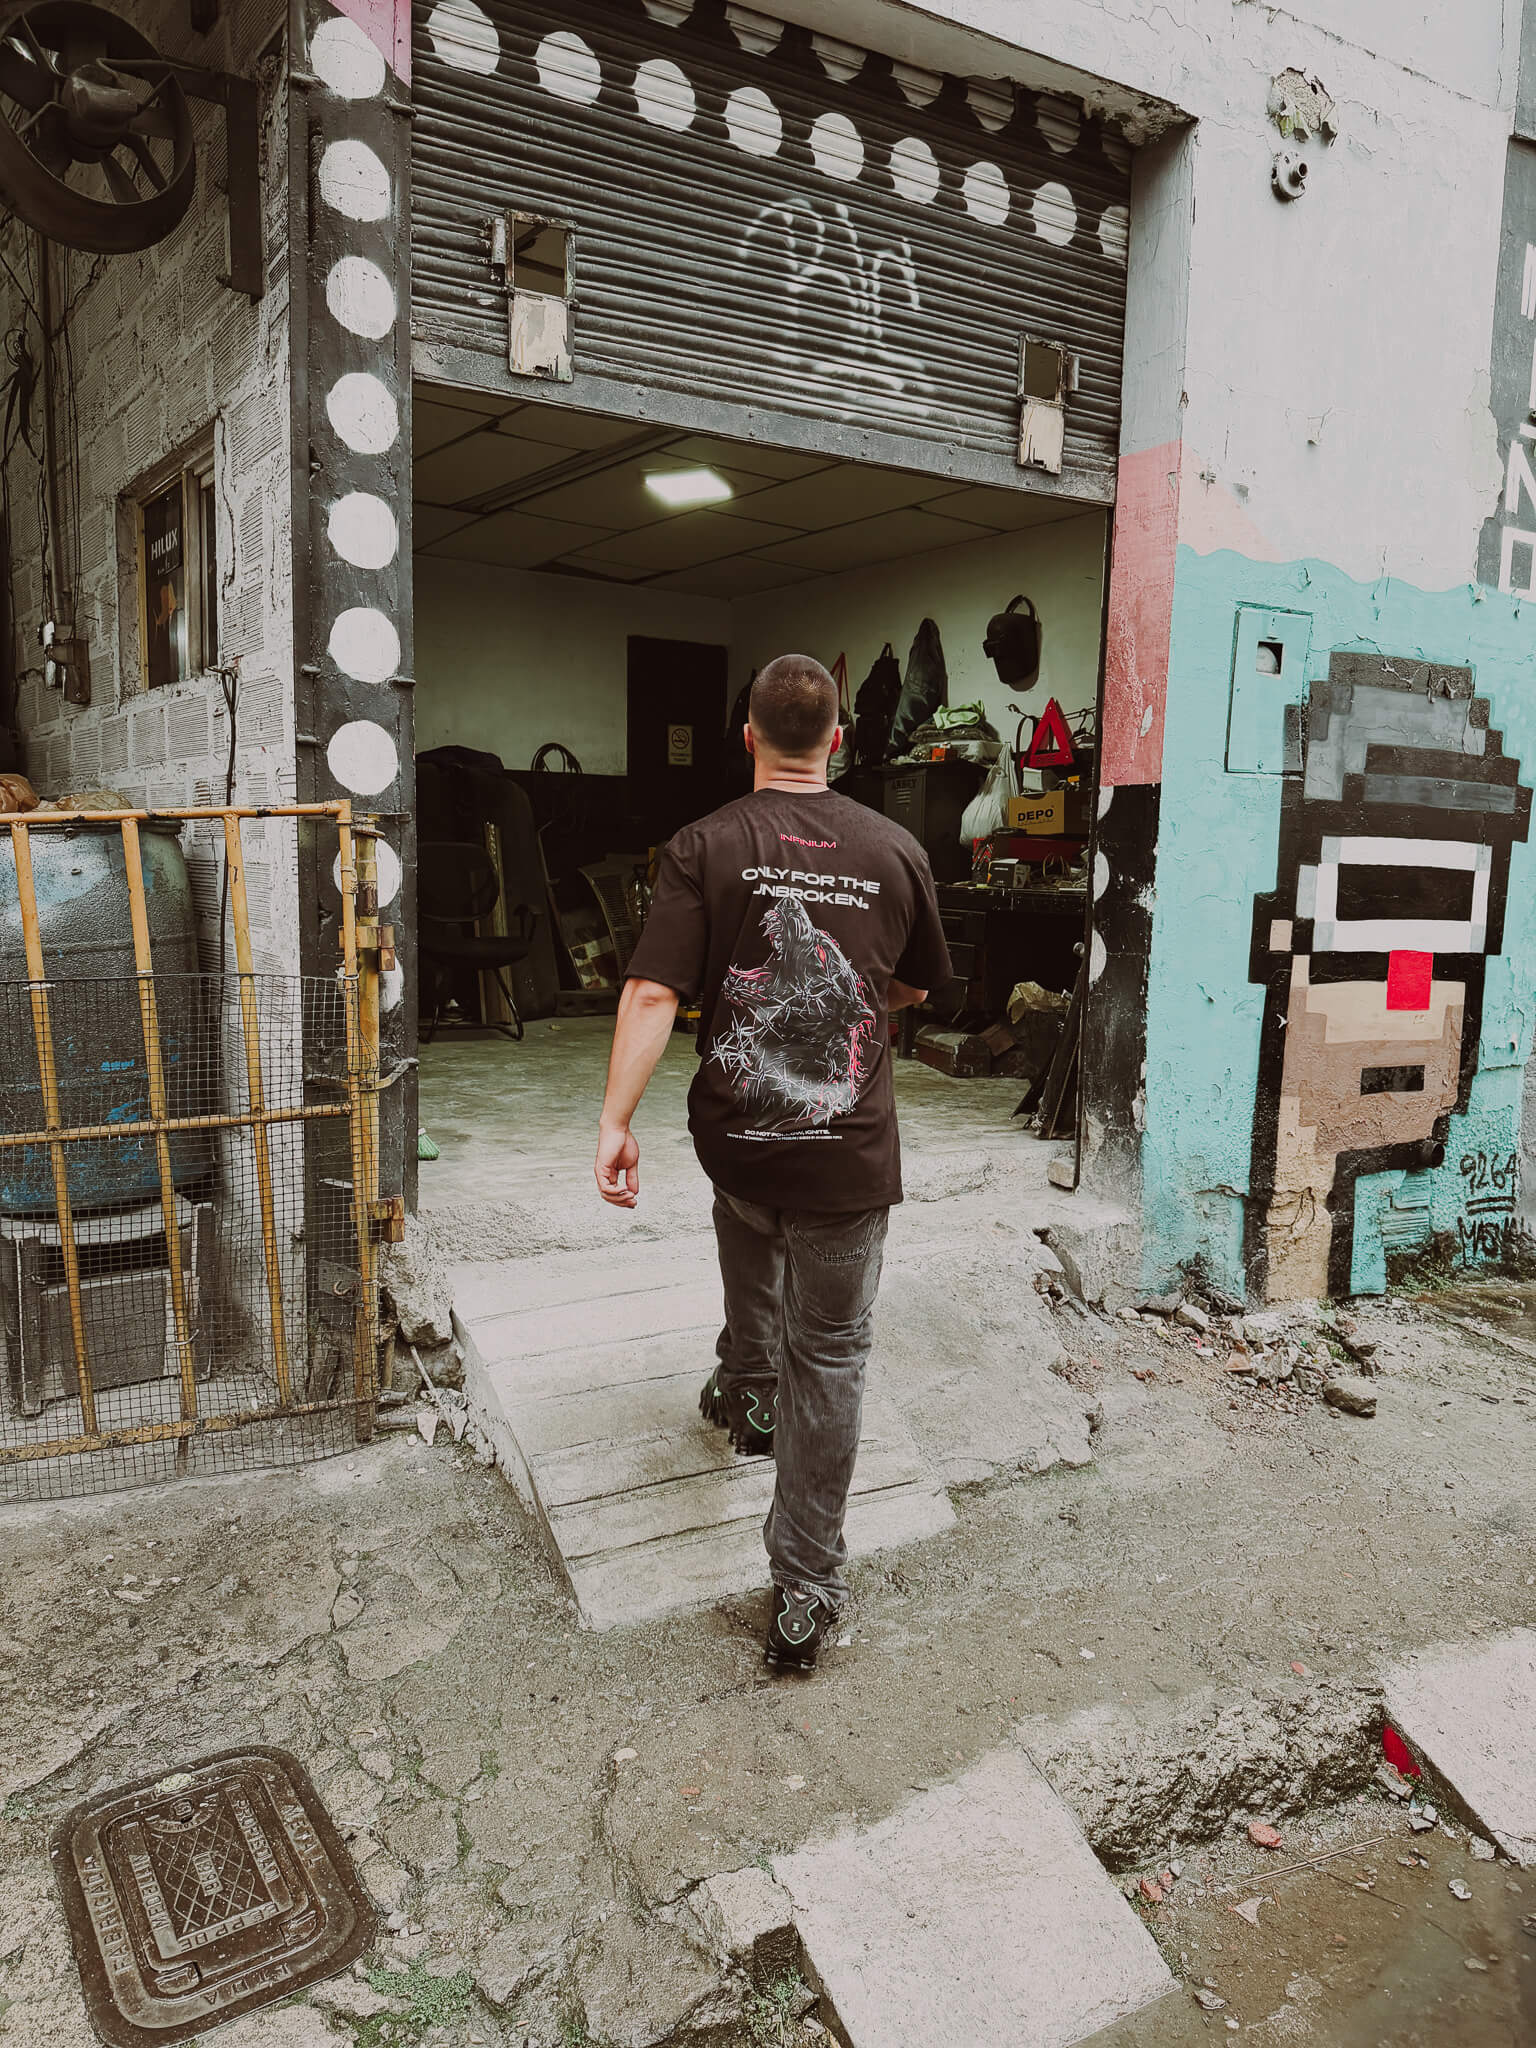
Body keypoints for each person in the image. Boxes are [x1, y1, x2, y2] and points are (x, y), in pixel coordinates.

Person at [594, 653, 951, 1671]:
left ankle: (751, 1383)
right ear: (838, 739)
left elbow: (653, 992)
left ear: (747, 736)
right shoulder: (895, 848)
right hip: (846, 1156)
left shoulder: (704, 843)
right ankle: (804, 1584)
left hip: (740, 1135)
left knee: (749, 1219)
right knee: (829, 1353)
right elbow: (916, 987)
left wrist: (616, 1119)